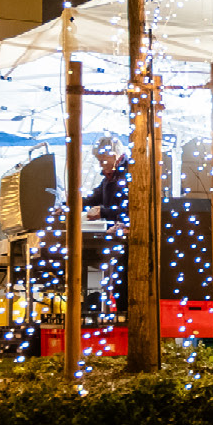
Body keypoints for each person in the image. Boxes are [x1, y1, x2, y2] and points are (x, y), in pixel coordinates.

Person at [83, 136, 131, 320]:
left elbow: (130, 208)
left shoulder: (128, 175)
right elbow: (93, 198)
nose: (101, 164)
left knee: (123, 284)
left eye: (104, 160)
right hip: (116, 241)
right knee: (117, 284)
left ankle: (125, 320)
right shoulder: (108, 179)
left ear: (116, 156)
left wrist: (103, 212)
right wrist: (69, 204)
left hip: (127, 241)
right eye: (99, 161)